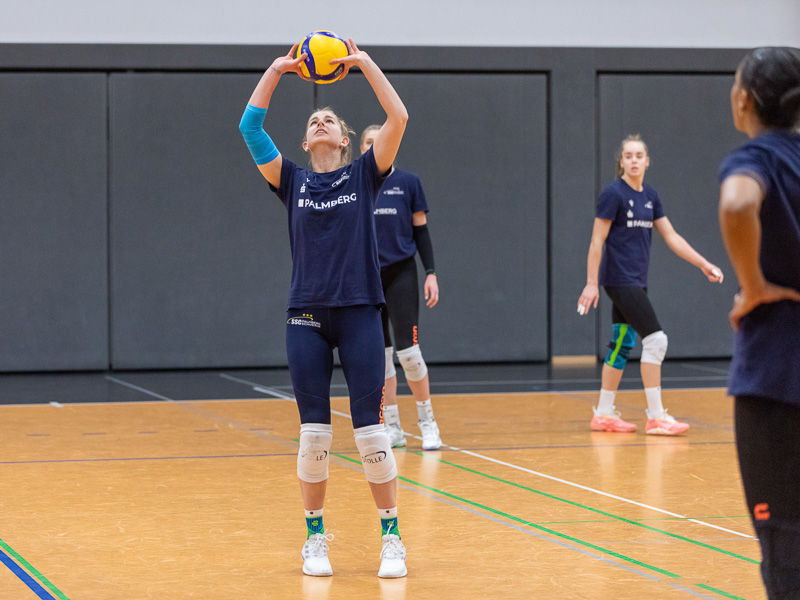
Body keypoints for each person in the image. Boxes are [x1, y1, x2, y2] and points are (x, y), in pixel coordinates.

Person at [238, 40, 409, 579]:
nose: (320, 122)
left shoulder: (365, 173)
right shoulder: (291, 180)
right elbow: (249, 128)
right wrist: (277, 69)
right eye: (313, 119)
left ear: (344, 138)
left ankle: (392, 539)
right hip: (307, 316)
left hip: (360, 312)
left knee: (371, 435)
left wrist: (361, 64)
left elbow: (398, 115)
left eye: (329, 117)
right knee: (314, 435)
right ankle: (315, 539)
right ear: (306, 140)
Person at [718, 46, 800, 600]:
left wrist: (753, 286)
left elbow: (737, 203)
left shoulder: (759, 158)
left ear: (743, 100)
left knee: (786, 551)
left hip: (776, 379)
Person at [577, 134, 724, 435]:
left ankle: (603, 414)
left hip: (636, 281)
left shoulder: (650, 197)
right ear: (621, 162)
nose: (633, 160)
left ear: (646, 161)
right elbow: (596, 240)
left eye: (638, 155)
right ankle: (656, 417)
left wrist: (703, 263)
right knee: (656, 340)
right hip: (618, 280)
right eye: (628, 155)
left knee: (621, 344)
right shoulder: (613, 195)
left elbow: (671, 237)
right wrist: (591, 283)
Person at [359, 125, 442, 451]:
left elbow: (421, 232)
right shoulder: (355, 184)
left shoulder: (408, 183)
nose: (374, 145)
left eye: (379, 140)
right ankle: (391, 425)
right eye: (368, 141)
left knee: (409, 353)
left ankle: (427, 422)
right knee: (380, 357)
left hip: (402, 273)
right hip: (367, 280)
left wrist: (431, 272)